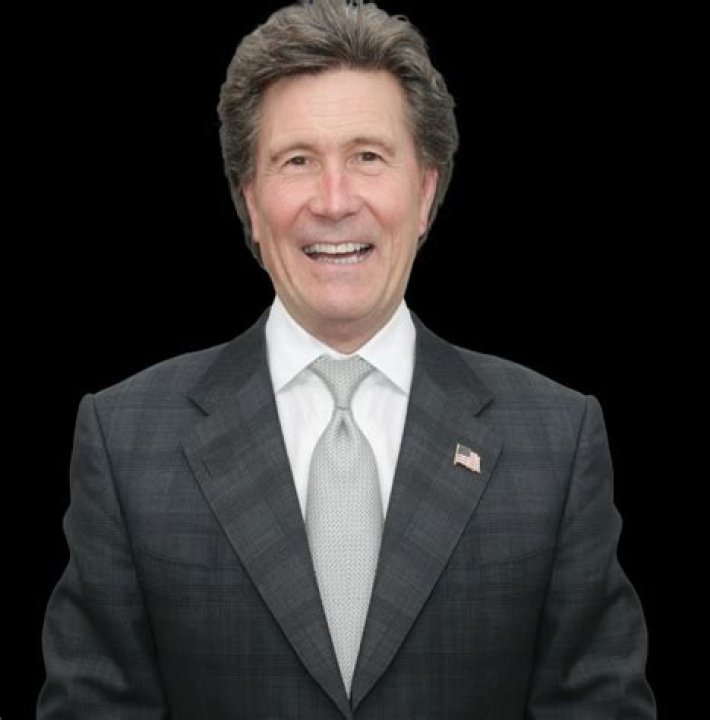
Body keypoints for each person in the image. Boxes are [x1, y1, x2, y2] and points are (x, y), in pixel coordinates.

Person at [38, 0, 656, 717]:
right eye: (297, 161)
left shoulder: (556, 438)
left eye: (368, 157)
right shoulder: (124, 440)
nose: (334, 202)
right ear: (250, 201)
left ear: (425, 191)